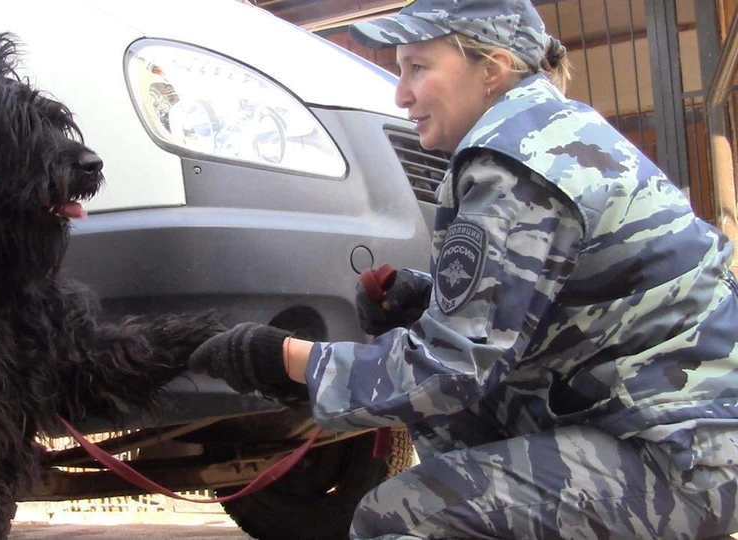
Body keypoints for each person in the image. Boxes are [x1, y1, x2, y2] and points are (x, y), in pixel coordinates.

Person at [189, 0, 738, 538]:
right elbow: (527, 307)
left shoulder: (517, 166)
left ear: (493, 69)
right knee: (453, 433)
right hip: (674, 437)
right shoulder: (549, 134)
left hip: (679, 459)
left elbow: (449, 368)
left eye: (417, 69)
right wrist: (425, 301)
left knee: (398, 514)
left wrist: (281, 358)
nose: (400, 93)